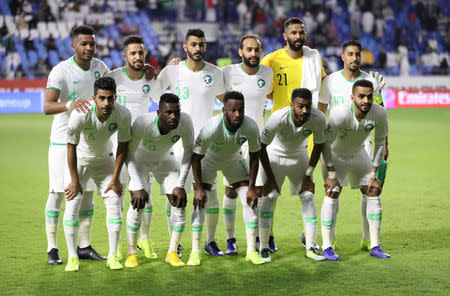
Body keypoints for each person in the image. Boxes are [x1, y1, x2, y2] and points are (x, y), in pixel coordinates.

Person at [260, 16, 327, 251]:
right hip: (280, 130)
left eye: (301, 32)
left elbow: (322, 91)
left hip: (306, 132)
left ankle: (307, 236)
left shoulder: (313, 58)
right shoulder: (271, 60)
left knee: (307, 187)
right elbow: (263, 89)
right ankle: (267, 235)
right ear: (285, 36)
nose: (298, 36)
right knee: (271, 189)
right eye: (294, 33)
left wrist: (319, 119)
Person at [44, 24, 108, 265]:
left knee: (88, 194)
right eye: (84, 44)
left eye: (92, 43)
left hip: (89, 140)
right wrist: (70, 104)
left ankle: (84, 245)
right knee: (58, 193)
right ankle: (52, 247)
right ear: (74, 46)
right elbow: (47, 106)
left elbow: (114, 87)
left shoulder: (101, 68)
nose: (89, 48)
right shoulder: (61, 70)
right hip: (62, 140)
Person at [158, 28, 225, 257]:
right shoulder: (172, 71)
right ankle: (174, 243)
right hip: (176, 144)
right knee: (174, 194)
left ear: (205, 47)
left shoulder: (215, 73)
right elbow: (153, 93)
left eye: (201, 44)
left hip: (206, 145)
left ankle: (210, 241)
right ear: (185, 47)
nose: (198, 48)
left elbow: (227, 103)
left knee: (210, 194)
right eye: (193, 44)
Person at [318, 40, 388, 250]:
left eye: (358, 54)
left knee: (370, 190)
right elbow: (321, 113)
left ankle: (368, 239)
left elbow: (379, 112)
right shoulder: (329, 81)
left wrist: (385, 144)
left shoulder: (370, 81)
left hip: (363, 141)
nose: (354, 58)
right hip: (335, 143)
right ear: (343, 57)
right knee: (333, 190)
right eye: (350, 54)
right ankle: (331, 239)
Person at [187, 91, 265, 266]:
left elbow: (254, 156)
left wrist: (252, 186)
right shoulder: (211, 127)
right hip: (208, 160)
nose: (238, 114)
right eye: (233, 110)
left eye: (241, 110)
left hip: (233, 160)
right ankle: (196, 251)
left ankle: (252, 251)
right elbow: (196, 157)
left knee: (250, 200)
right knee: (201, 202)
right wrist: (198, 188)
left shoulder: (250, 126)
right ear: (224, 110)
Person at [63, 77, 132, 271]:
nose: (106, 103)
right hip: (80, 161)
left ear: (115, 97)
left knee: (115, 202)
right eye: (102, 98)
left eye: (110, 99)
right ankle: (72, 257)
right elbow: (71, 147)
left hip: (105, 160)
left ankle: (112, 256)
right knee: (73, 203)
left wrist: (116, 178)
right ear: (94, 98)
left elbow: (123, 147)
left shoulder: (123, 114)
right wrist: (75, 181)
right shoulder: (80, 114)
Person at [106, 35, 163, 259]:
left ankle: (144, 240)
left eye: (141, 53)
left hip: (143, 145)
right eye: (133, 53)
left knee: (145, 195)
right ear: (125, 56)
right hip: (116, 144)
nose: (137, 57)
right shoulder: (113, 77)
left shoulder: (151, 79)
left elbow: (166, 100)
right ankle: (117, 245)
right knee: (116, 196)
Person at [257, 88, 327, 262]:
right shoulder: (278, 118)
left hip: (299, 157)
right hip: (275, 156)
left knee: (308, 196)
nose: (304, 111)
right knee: (270, 197)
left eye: (308, 106)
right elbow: (260, 146)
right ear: (291, 105)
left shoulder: (318, 118)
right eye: (300, 106)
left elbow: (319, 145)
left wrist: (309, 174)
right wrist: (270, 178)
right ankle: (264, 247)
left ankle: (311, 246)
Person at [125, 93, 194, 268]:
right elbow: (129, 154)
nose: (173, 117)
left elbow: (188, 153)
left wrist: (180, 185)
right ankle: (131, 253)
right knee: (138, 203)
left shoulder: (185, 122)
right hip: (140, 159)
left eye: (176, 112)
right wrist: (138, 185)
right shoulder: (142, 122)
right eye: (168, 112)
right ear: (159, 112)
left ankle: (172, 253)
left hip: (165, 159)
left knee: (179, 202)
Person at [220, 34, 273, 255]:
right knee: (231, 191)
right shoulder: (227, 73)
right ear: (240, 52)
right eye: (248, 49)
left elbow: (269, 95)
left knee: (258, 192)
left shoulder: (267, 73)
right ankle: (231, 239)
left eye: (256, 49)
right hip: (231, 142)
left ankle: (261, 240)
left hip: (257, 142)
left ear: (261, 51)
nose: (253, 53)